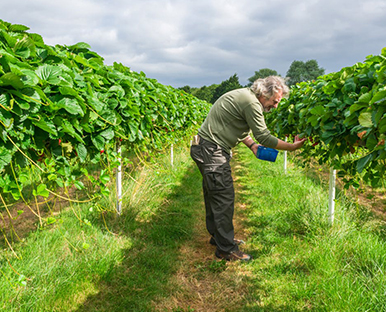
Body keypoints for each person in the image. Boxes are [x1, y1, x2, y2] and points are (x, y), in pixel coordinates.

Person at [190, 76, 306, 261]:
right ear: (264, 93)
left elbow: (238, 127)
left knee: (214, 193)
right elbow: (265, 136)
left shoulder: (245, 97)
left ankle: (219, 237)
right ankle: (226, 249)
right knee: (223, 196)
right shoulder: (251, 103)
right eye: (275, 101)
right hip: (211, 150)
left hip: (206, 148)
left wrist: (251, 145)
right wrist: (291, 147)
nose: (275, 106)